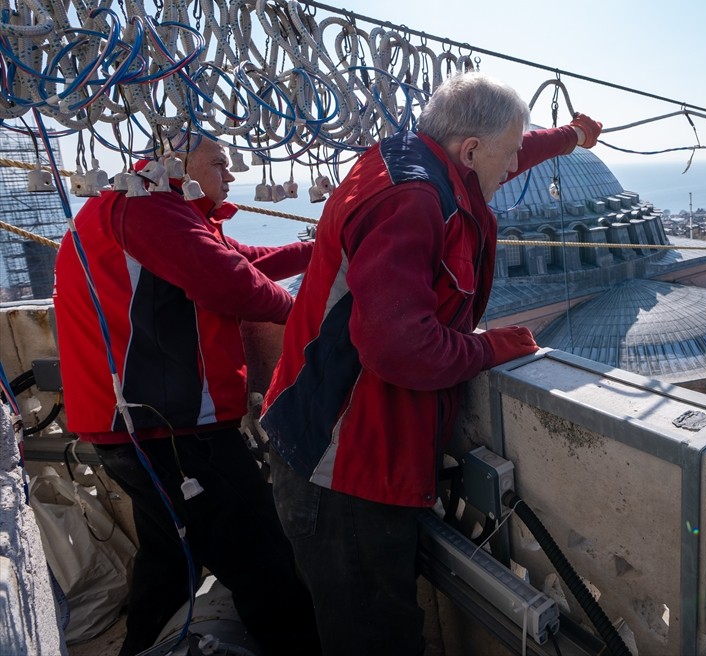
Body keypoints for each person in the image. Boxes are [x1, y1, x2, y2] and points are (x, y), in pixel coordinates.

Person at [261, 72, 603, 654]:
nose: (516, 164)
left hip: (337, 448)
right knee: (376, 640)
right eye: (510, 152)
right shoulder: (412, 201)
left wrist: (569, 138)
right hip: (342, 466)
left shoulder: (417, 162)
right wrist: (493, 346)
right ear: (470, 151)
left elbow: (503, 156)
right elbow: (400, 348)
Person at [54, 133, 320, 656]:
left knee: (171, 558)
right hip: (172, 428)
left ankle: (141, 646)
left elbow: (242, 260)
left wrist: (323, 248)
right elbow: (231, 283)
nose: (231, 173)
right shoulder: (148, 207)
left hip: (139, 426)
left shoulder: (160, 210)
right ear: (177, 161)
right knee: (264, 562)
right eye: (220, 162)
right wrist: (304, 315)